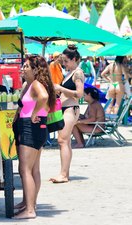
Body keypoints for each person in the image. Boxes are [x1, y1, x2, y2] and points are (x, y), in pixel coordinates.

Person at [13, 55, 56, 219]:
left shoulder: (36, 85)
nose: (23, 68)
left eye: (26, 66)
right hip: (37, 127)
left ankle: (30, 209)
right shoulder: (31, 84)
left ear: (36, 70)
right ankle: (29, 203)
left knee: (25, 169)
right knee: (33, 169)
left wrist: (34, 113)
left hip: (31, 127)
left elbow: (43, 97)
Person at [50, 45, 84, 183]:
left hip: (71, 108)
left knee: (62, 140)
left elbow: (79, 93)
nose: (64, 64)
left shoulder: (77, 73)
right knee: (66, 142)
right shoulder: (70, 73)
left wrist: (60, 88)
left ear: (74, 59)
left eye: (66, 61)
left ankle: (63, 174)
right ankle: (65, 173)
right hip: (66, 108)